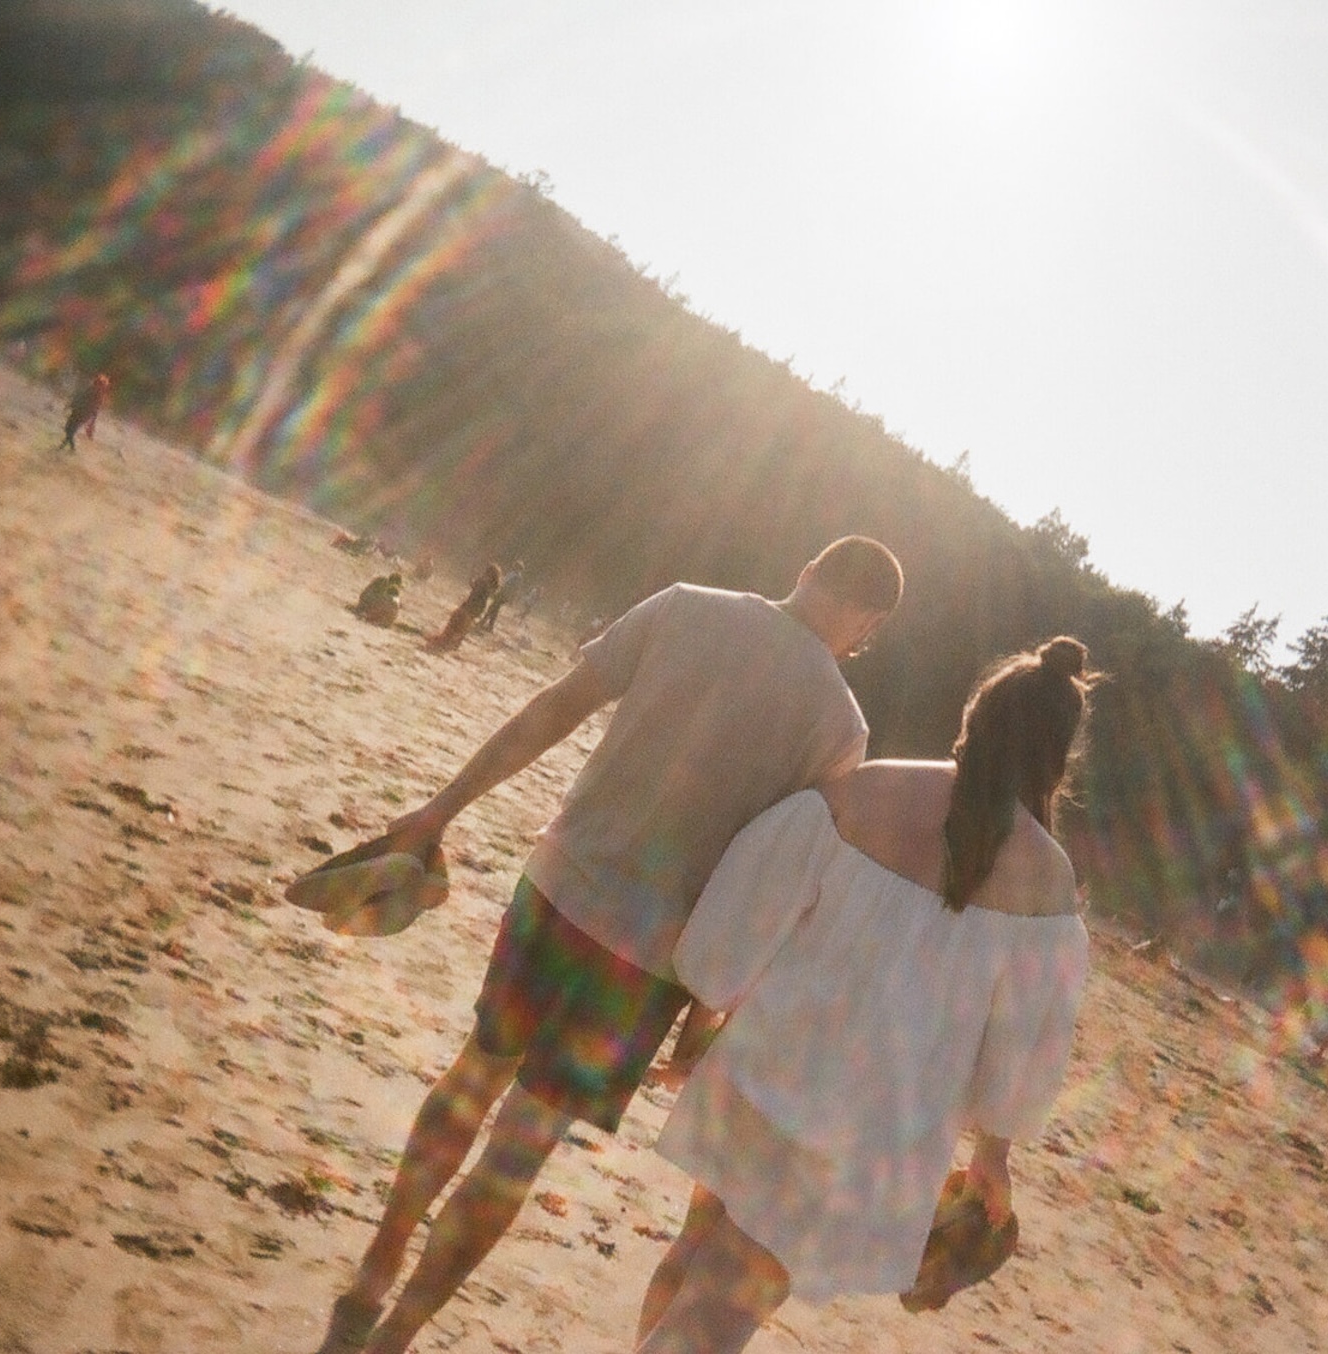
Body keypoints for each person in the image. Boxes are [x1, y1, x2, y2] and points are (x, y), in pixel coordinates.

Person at [311, 537, 904, 1354]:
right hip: (651, 966)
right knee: (521, 1147)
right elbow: (773, 885)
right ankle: (399, 1332)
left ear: (805, 570)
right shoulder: (841, 727)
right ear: (868, 624)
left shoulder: (687, 604)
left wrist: (438, 812)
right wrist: (711, 1013)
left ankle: (378, 1264)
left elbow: (552, 711)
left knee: (473, 1073)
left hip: (557, 893)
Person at [633, 637, 1097, 1354]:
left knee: (695, 1258)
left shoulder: (867, 788)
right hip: (871, 1136)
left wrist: (706, 1016)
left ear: (975, 715)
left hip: (764, 1069)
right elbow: (1019, 1045)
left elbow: (747, 914)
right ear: (1055, 758)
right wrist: (993, 1154)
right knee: (724, 1309)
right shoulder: (1048, 880)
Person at [423, 563, 503, 654]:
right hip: (478, 609)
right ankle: (454, 644)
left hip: (470, 605)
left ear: (488, 572)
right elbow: (478, 589)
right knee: (464, 627)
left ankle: (445, 641)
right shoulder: (491, 586)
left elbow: (475, 588)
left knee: (455, 621)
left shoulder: (483, 581)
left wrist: (473, 576)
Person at [56, 371, 110, 453]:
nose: (97, 385)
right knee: (68, 429)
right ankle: (69, 448)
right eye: (98, 382)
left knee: (70, 430)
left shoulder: (98, 396)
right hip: (78, 411)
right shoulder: (90, 390)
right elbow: (79, 398)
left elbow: (95, 410)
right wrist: (70, 405)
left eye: (100, 384)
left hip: (83, 415)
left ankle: (67, 448)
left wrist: (92, 422)